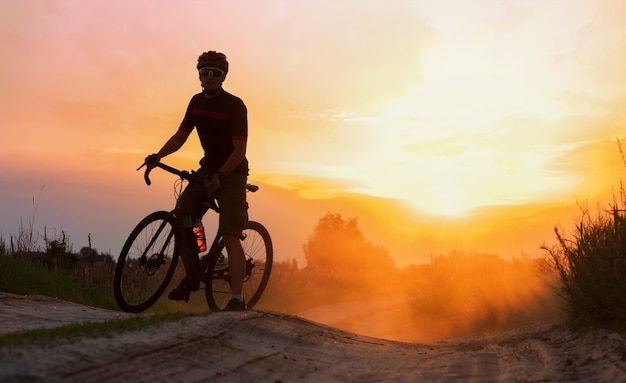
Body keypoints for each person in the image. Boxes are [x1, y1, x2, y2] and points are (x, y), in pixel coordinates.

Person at [144, 51, 249, 311]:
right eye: (205, 72)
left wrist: (221, 176)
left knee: (231, 233)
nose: (210, 76)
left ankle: (237, 299)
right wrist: (158, 155)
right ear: (199, 75)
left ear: (224, 76)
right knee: (184, 218)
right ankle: (193, 275)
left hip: (232, 174)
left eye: (216, 72)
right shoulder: (196, 102)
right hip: (207, 170)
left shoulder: (235, 106)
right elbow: (181, 135)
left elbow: (239, 152)